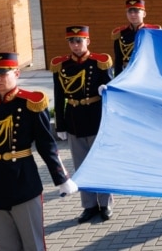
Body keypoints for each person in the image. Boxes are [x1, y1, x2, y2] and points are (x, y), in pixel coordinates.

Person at [0, 53, 77, 250]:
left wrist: (62, 178)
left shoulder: (30, 103)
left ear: (16, 73)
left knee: (33, 243)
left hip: (23, 180)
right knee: (5, 245)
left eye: (2, 73)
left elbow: (46, 145)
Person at [51, 25, 115, 224]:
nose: (76, 45)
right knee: (81, 166)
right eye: (72, 41)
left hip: (96, 117)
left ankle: (105, 204)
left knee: (100, 163)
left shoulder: (100, 62)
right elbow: (59, 95)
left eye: (79, 41)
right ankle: (89, 205)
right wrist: (60, 124)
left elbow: (111, 91)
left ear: (88, 41)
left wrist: (107, 93)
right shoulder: (61, 65)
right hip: (74, 119)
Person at [112, 0, 162, 74]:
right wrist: (117, 78)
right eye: (130, 12)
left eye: (136, 11)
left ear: (144, 14)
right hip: (128, 73)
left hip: (148, 72)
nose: (132, 14)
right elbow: (118, 60)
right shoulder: (121, 33)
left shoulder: (153, 32)